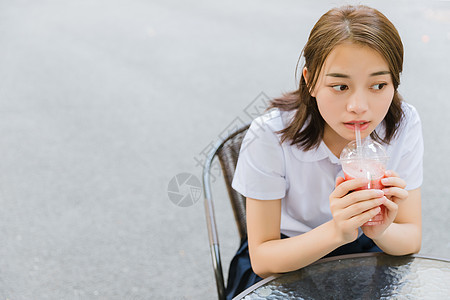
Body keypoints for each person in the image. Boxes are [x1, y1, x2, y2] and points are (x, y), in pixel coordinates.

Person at [226, 4, 423, 299]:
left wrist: (380, 230)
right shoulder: (269, 135)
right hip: (286, 264)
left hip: (365, 259)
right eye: (340, 86)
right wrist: (337, 232)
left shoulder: (402, 124)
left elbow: (411, 237)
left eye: (379, 85)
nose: (359, 106)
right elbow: (264, 258)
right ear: (310, 80)